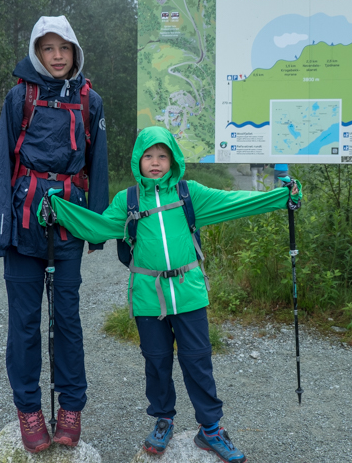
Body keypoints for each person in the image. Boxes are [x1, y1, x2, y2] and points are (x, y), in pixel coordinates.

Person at [39, 126, 300, 462]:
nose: (156, 162)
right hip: (148, 296)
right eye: (148, 156)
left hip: (189, 294)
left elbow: (235, 202)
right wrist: (58, 209)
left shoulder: (190, 194)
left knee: (198, 361)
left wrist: (282, 197)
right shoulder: (128, 201)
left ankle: (211, 429)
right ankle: (163, 420)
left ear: (174, 159)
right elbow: (96, 226)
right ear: (138, 161)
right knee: (157, 362)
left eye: (162, 156)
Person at [0, 16, 108, 453]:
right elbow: (3, 164)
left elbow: (98, 166)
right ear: (36, 53)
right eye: (48, 49)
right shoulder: (19, 98)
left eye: (64, 48)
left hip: (69, 221)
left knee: (68, 320)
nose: (57, 57)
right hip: (24, 225)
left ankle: (72, 405)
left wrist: (95, 228)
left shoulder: (90, 101)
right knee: (23, 324)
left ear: (75, 51)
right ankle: (29, 409)